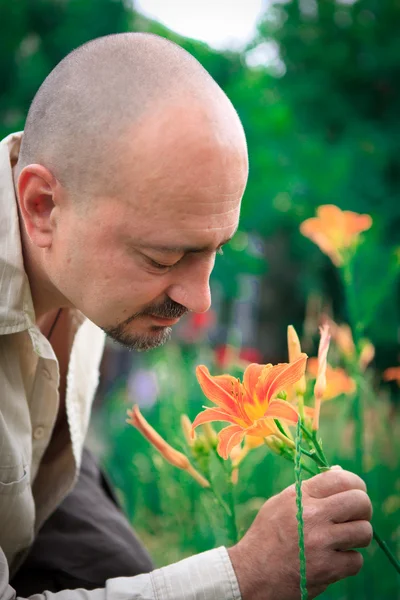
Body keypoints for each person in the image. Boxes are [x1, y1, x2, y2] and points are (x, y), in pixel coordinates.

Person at [0, 32, 372, 600]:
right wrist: (246, 575)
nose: (201, 300)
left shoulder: (84, 232)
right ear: (41, 207)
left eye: (215, 248)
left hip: (50, 472)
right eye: (165, 257)